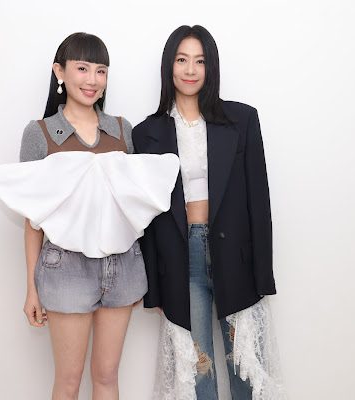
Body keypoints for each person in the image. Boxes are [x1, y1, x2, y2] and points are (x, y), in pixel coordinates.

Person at [0, 32, 178, 400]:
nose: (92, 80)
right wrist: (31, 287)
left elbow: (132, 205)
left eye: (101, 71)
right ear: (59, 72)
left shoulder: (122, 130)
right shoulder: (41, 134)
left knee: (107, 376)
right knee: (69, 380)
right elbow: (33, 219)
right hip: (65, 268)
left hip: (123, 266)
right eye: (82, 68)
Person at [132, 25, 285, 399]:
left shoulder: (241, 119)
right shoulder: (147, 132)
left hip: (235, 256)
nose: (190, 70)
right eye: (182, 60)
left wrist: (262, 273)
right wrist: (154, 288)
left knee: (245, 366)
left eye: (199, 61)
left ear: (211, 66)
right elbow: (147, 219)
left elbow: (258, 200)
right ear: (169, 66)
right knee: (198, 368)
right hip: (181, 261)